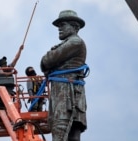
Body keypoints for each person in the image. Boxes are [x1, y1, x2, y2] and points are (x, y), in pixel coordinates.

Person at [40, 10, 88, 141]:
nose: (59, 28)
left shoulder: (75, 42)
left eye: (63, 24)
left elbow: (48, 60)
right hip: (66, 95)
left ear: (75, 27)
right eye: (58, 26)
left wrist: (47, 62)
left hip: (67, 97)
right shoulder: (69, 43)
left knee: (62, 131)